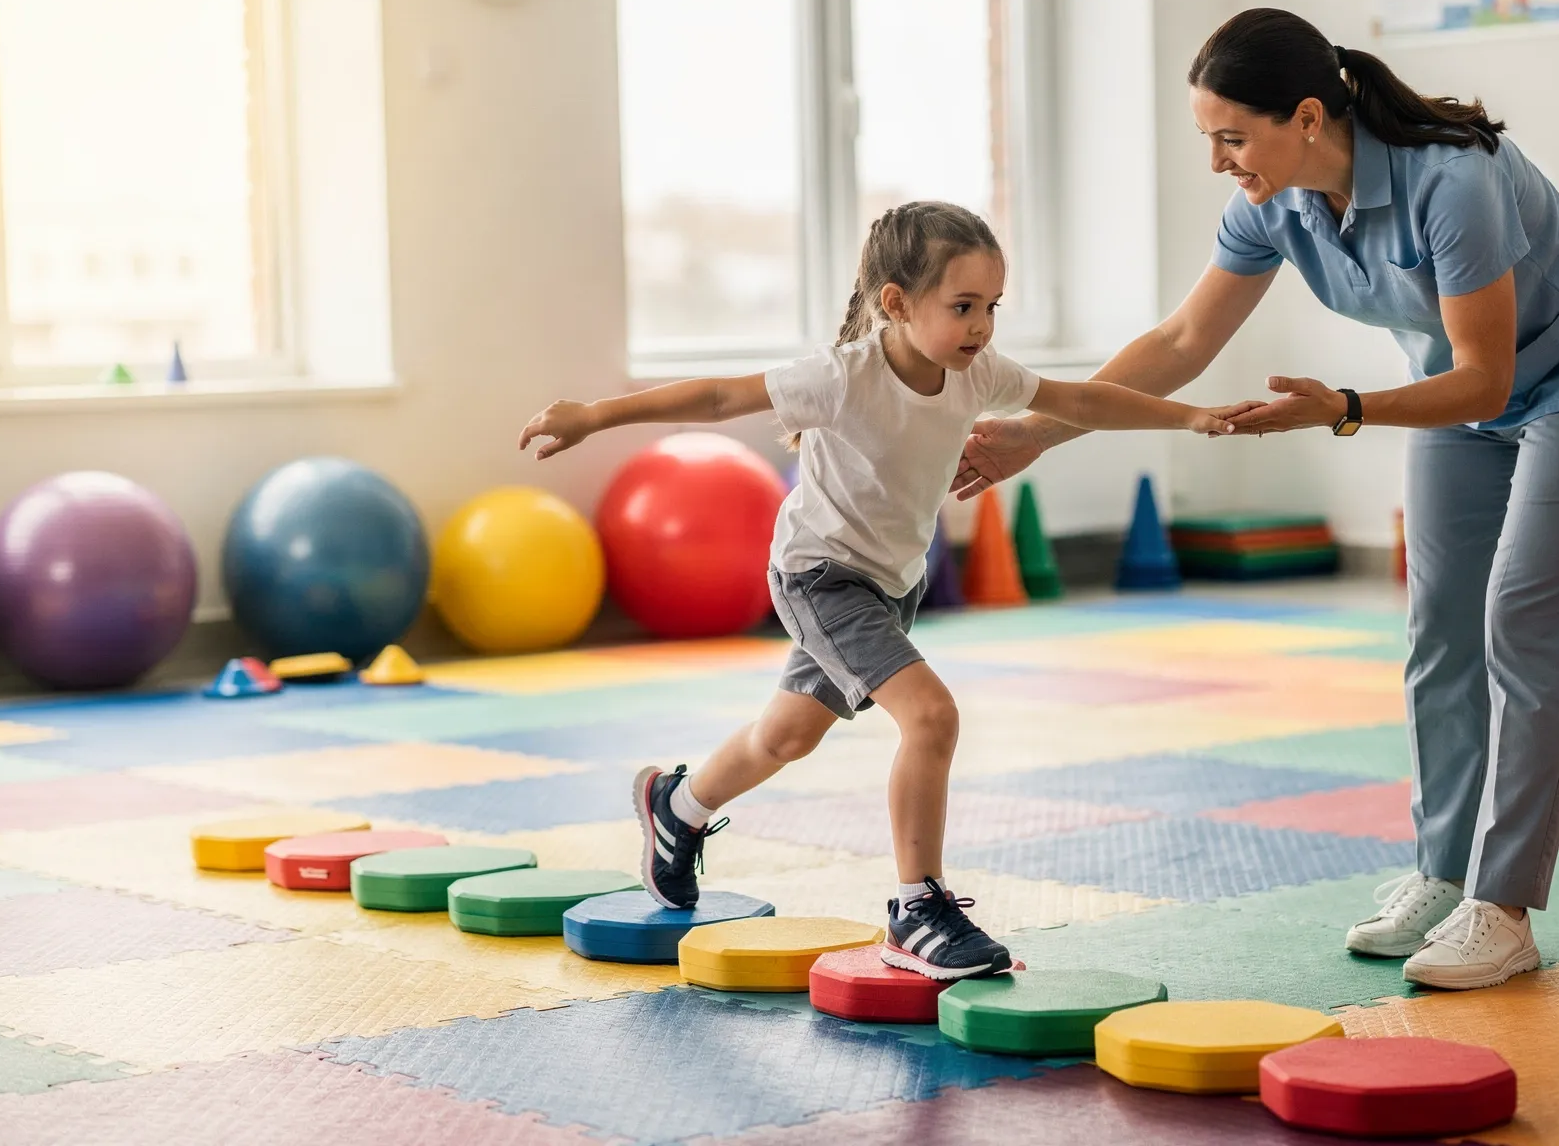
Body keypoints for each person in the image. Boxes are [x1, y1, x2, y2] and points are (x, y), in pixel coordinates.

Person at [952, 9, 1559, 991]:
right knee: (1439, 628)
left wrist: (1341, 410)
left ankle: (1499, 910)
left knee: (1521, 621)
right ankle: (1439, 869)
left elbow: (1486, 378)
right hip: (1448, 393)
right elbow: (1178, 343)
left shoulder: (1452, 182)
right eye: (1204, 138)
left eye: (1229, 138)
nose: (1216, 162)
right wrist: (1036, 431)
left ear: (1302, 117)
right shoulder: (1271, 203)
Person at [519, 201, 1240, 980]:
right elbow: (721, 398)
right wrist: (595, 415)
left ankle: (677, 806)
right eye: (962, 307)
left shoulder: (979, 374)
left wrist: (1192, 417)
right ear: (895, 304)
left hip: (891, 585)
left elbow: (1085, 401)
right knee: (931, 716)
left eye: (992, 307)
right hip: (820, 576)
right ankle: (916, 908)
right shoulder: (844, 377)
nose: (982, 327)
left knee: (786, 737)